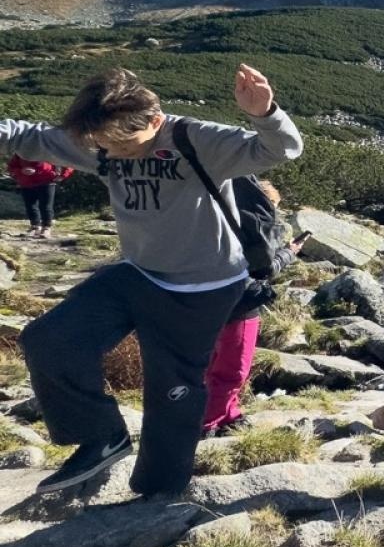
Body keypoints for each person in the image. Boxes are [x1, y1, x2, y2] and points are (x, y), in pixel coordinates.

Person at [2, 64, 302, 497]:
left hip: (203, 287)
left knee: (172, 391)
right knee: (49, 340)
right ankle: (102, 436)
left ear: (155, 120)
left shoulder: (194, 139)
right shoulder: (102, 140)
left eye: (124, 144)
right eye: (104, 146)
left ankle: (159, 493)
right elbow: (28, 136)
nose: (113, 154)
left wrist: (265, 112)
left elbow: (282, 148)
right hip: (138, 273)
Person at [201, 178, 302, 435]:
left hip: (210, 300)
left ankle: (228, 414)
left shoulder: (219, 222)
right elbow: (265, 268)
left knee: (213, 364)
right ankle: (209, 422)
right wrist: (289, 253)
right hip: (243, 305)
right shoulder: (255, 228)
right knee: (234, 369)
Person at [8, 154, 73, 239]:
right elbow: (11, 166)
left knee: (46, 206)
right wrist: (21, 171)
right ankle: (35, 227)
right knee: (30, 206)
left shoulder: (47, 148)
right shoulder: (21, 151)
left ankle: (46, 228)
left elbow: (68, 161)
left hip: (47, 181)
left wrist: (63, 175)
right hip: (26, 183)